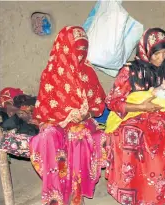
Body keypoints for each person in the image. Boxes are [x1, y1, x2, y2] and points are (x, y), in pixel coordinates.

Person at [105, 28, 165, 205]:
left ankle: (155, 189)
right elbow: (113, 102)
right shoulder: (129, 71)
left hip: (159, 113)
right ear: (145, 50)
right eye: (156, 53)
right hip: (132, 113)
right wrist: (141, 106)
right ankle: (130, 191)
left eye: (164, 52)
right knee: (132, 134)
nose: (161, 58)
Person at [29, 26, 107, 205]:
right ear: (64, 48)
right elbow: (43, 110)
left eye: (83, 50)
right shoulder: (51, 74)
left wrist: (85, 113)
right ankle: (55, 196)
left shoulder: (87, 72)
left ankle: (75, 194)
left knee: (77, 135)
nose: (79, 54)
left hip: (81, 123)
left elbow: (98, 107)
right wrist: (63, 116)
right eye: (76, 49)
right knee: (48, 137)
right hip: (55, 124)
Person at [104, 67, 165, 133]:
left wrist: (158, 90)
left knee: (116, 121)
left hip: (133, 106)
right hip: (132, 103)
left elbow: (156, 96)